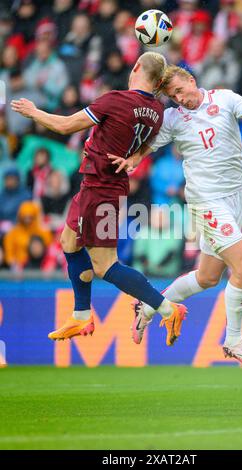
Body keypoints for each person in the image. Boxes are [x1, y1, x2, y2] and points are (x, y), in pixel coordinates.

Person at [108, 65, 242, 367]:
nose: (180, 99)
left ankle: (147, 307)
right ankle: (233, 340)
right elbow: (149, 145)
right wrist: (133, 159)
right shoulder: (174, 118)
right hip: (206, 201)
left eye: (180, 90)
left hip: (233, 198)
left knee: (207, 277)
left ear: (192, 80)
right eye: (173, 96)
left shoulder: (225, 99)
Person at [11, 53, 187, 346]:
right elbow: (143, 144)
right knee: (69, 242)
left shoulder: (116, 100)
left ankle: (167, 308)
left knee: (105, 265)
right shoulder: (155, 110)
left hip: (100, 188)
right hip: (105, 186)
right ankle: (81, 314)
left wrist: (33, 112)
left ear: (135, 68)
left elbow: (67, 126)